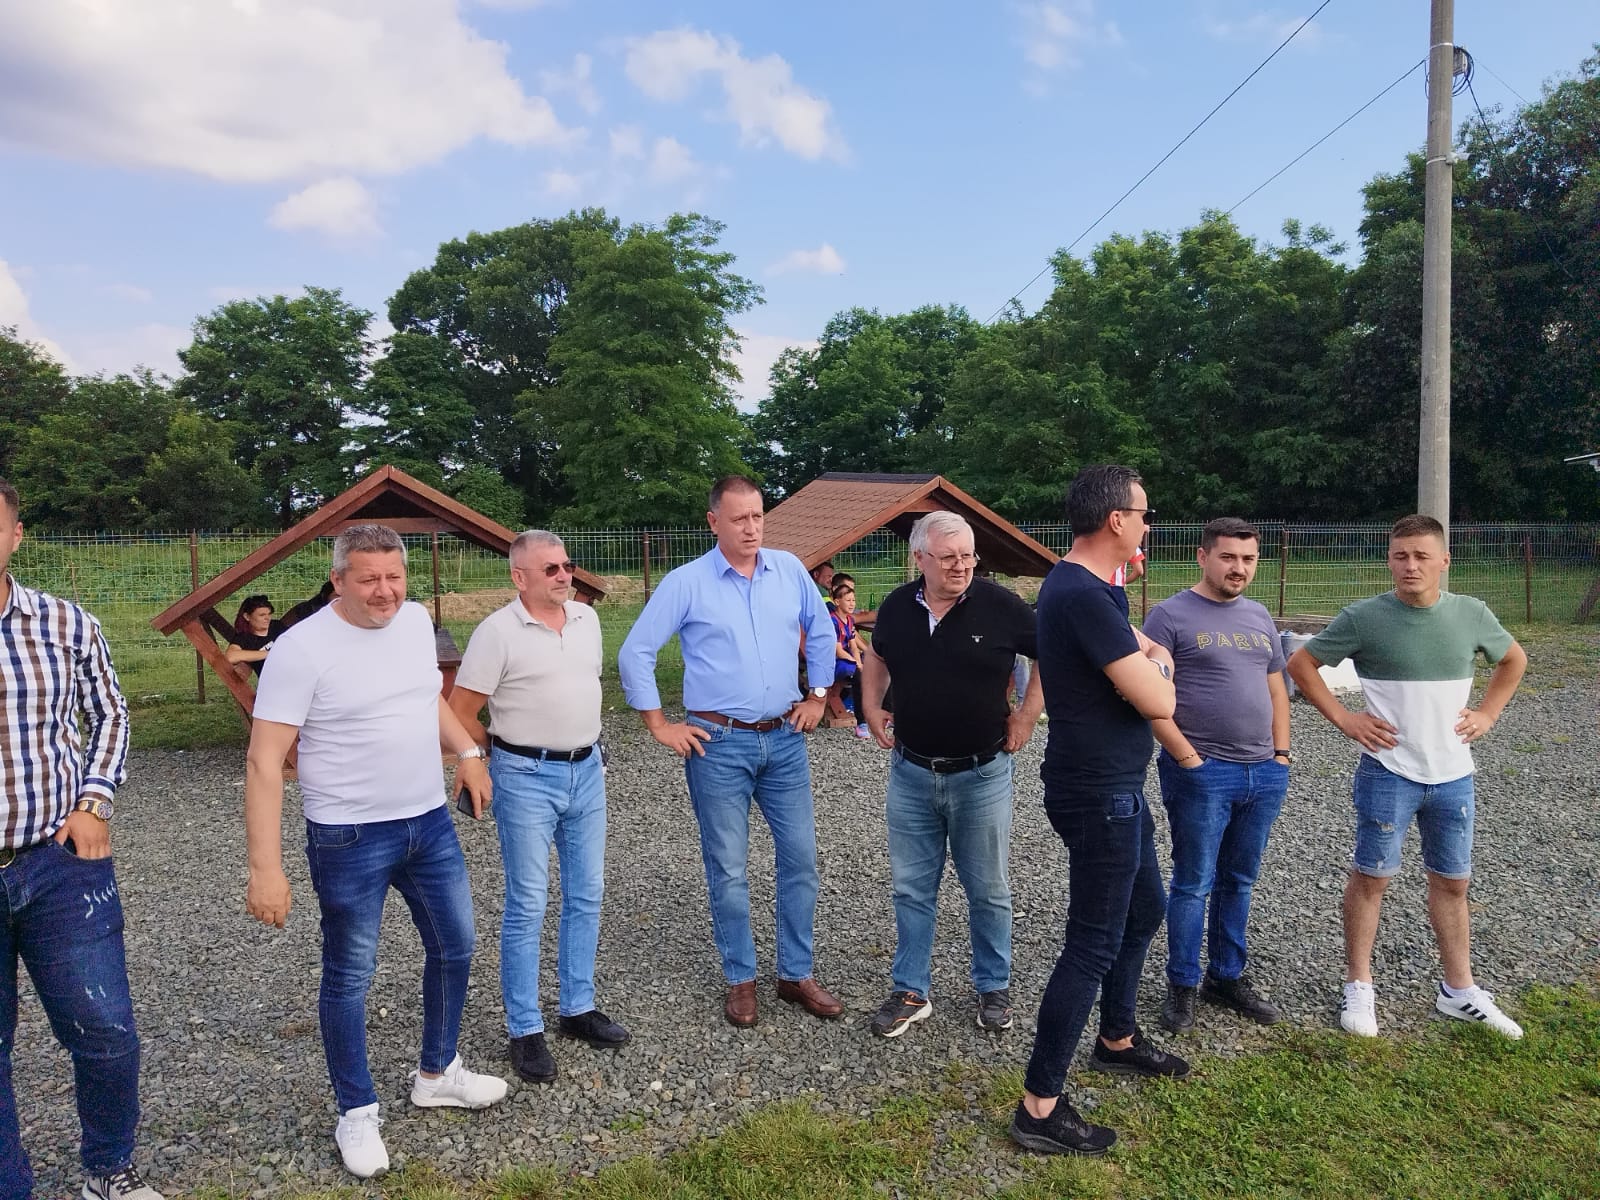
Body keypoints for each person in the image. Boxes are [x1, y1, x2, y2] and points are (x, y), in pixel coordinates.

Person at [243, 524, 506, 1180]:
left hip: (428, 823)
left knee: (456, 945)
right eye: (368, 579)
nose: (385, 591)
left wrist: (468, 750)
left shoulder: (414, 622)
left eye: (394, 576)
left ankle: (438, 1072)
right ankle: (356, 1110)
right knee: (350, 974)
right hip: (348, 835)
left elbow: (427, 699)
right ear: (338, 580)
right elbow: (265, 760)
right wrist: (266, 867)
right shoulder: (301, 649)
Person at [1287, 514, 1528, 1040]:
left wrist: (1488, 713)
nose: (1410, 565)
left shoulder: (1471, 614)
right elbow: (1302, 664)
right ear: (1389, 561)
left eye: (1421, 556)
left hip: (1454, 775)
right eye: (1400, 555)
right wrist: (1345, 719)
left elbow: (1513, 660)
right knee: (1372, 878)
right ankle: (1359, 985)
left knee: (1454, 882)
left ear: (1444, 561)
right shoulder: (1364, 618)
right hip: (1388, 772)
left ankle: (1458, 989)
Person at [618, 476, 842, 1028]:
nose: (751, 528)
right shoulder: (687, 582)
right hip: (717, 744)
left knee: (801, 860)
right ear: (713, 521)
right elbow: (636, 651)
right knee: (729, 867)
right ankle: (741, 978)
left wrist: (818, 695)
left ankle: (795, 973)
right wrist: (658, 724)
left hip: (785, 738)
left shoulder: (788, 570)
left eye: (758, 516)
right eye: (739, 518)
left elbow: (820, 629)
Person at [1011, 465, 1188, 1159]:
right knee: (1090, 944)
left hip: (1115, 785)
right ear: (1117, 519)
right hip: (1098, 793)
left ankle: (1116, 1037)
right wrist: (1160, 670)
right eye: (1144, 514)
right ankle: (1039, 1106)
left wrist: (1152, 658)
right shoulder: (1082, 595)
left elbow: (1143, 651)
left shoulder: (1089, 587)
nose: (1147, 525)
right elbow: (1160, 699)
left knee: (1145, 910)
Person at [0, 478, 160, 1200]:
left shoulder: (65, 623)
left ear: (16, 535)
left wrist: (94, 801)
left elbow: (112, 714)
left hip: (57, 864)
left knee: (105, 1030)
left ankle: (108, 1169)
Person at [447, 531, 629, 1087]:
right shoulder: (496, 632)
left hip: (587, 770)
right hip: (525, 775)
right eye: (549, 568)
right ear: (519, 577)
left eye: (566, 565)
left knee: (587, 892)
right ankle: (524, 1028)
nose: (563, 575)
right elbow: (459, 710)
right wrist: (485, 756)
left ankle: (577, 1007)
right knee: (528, 901)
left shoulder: (587, 620)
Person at [860, 511, 1044, 1039]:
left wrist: (1027, 714)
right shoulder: (897, 606)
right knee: (911, 888)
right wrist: (870, 706)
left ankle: (993, 986)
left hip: (981, 774)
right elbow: (877, 657)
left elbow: (1049, 655)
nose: (961, 566)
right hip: (911, 772)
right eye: (948, 557)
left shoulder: (1001, 605)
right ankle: (911, 990)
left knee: (987, 889)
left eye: (967, 556)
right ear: (919, 558)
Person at [1144, 518, 1291, 1034]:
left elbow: (1276, 688)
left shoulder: (1259, 616)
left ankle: (1226, 977)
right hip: (1203, 773)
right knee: (1193, 882)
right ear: (1202, 556)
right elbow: (1147, 694)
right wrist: (1188, 759)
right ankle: (1182, 984)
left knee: (1239, 880)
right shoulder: (1169, 616)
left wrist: (1281, 755)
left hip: (1263, 772)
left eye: (1248, 559)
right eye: (1228, 557)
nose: (1239, 568)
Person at [829, 578, 869, 738]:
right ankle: (861, 723)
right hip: (836, 662)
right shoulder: (832, 621)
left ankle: (888, 712)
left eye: (853, 600)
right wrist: (857, 664)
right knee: (860, 676)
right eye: (848, 600)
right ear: (837, 602)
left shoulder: (850, 619)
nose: (852, 604)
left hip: (849, 659)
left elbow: (853, 645)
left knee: (881, 664)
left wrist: (859, 661)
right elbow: (838, 651)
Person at [225, 594, 283, 678]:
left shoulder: (277, 626)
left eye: (269, 614)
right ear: (247, 616)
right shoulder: (244, 638)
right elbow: (231, 656)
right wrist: (271, 653)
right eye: (262, 615)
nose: (267, 618)